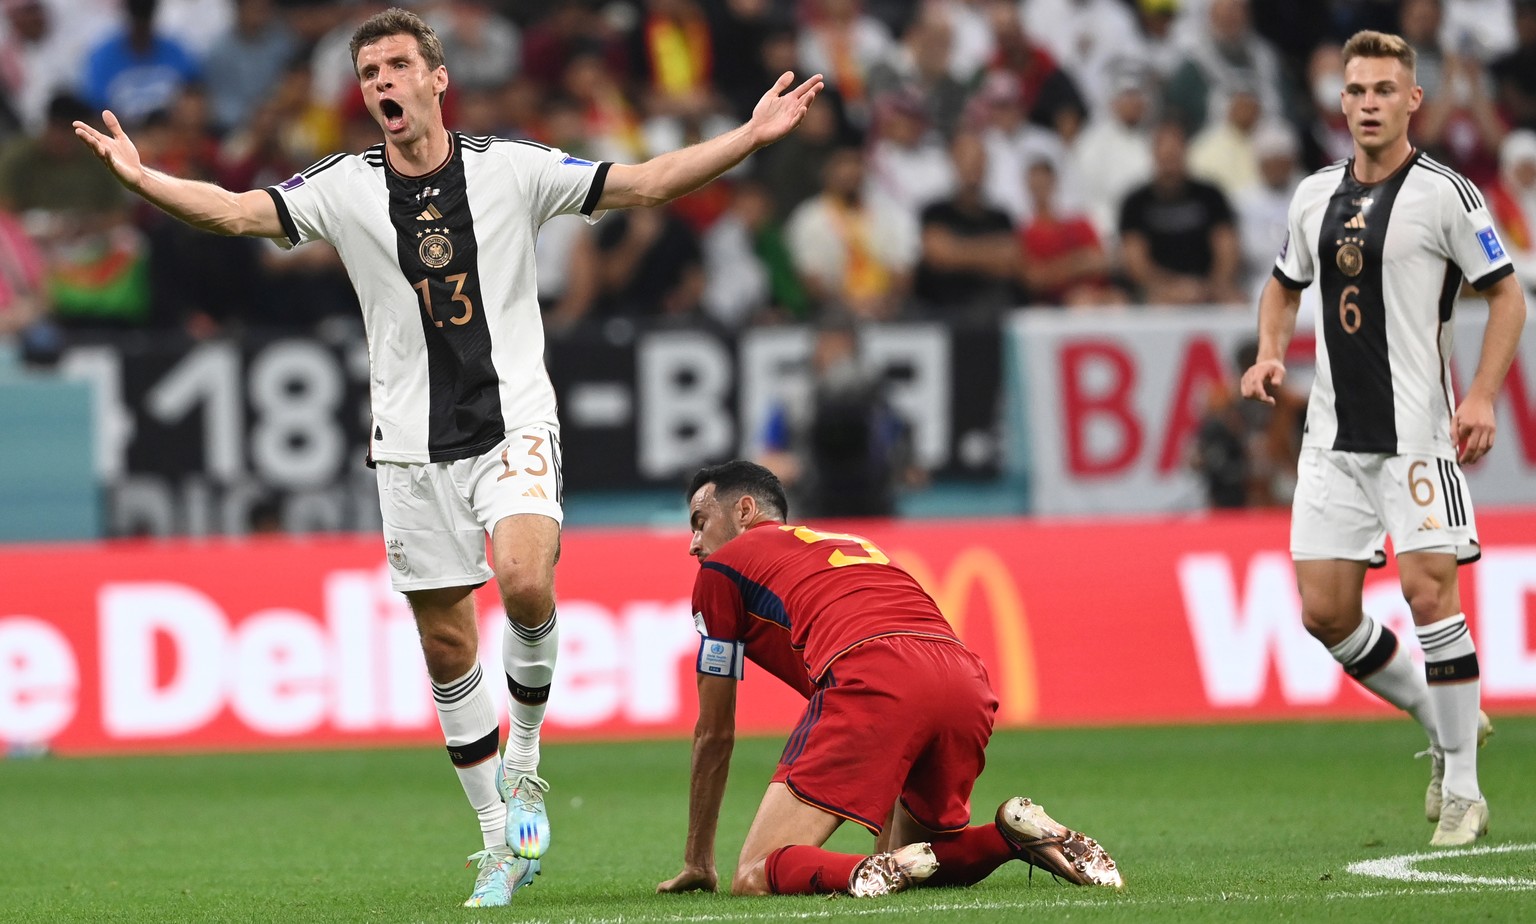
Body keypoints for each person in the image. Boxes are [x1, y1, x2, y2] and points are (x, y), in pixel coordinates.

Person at [72, 6, 824, 907]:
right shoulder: (345, 185)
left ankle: (530, 760)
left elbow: (650, 182)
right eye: (368, 74)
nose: (382, 84)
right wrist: (141, 176)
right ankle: (499, 839)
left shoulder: (512, 168)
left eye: (396, 66)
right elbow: (236, 213)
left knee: (524, 582)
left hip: (512, 427)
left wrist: (750, 134)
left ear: (437, 78)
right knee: (444, 644)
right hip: (407, 448)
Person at [1240, 30, 1521, 848]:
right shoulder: (1312, 194)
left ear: (1412, 101)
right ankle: (1444, 719)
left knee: (1431, 597)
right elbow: (1282, 284)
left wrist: (1481, 395)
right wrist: (1266, 353)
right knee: (1324, 614)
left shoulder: (1448, 195)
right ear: (1342, 102)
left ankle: (1463, 787)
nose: (1368, 104)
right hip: (1332, 440)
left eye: (1383, 91)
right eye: (1356, 91)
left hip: (1419, 437)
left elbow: (1506, 298)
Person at [658, 460, 1122, 898]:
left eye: (700, 522)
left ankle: (859, 872)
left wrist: (699, 861)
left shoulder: (721, 569)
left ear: (744, 510)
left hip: (872, 671)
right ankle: (1010, 836)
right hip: (963, 678)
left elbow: (715, 733)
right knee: (920, 863)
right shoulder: (852, 544)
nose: (693, 543)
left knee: (755, 871)